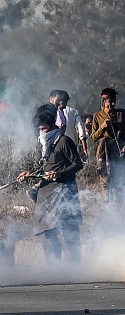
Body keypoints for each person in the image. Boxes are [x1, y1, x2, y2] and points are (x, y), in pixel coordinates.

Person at [20, 106, 82, 263]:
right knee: (46, 231)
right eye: (40, 129)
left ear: (53, 126)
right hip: (45, 192)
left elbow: (78, 164)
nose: (42, 132)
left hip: (64, 191)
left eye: (45, 128)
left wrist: (60, 173)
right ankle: (54, 268)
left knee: (67, 231)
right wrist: (29, 173)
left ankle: (76, 270)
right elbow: (41, 167)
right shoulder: (41, 143)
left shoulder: (64, 141)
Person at [90, 87, 125, 202]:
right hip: (104, 152)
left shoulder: (122, 113)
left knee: (120, 180)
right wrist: (102, 127)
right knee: (105, 181)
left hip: (120, 151)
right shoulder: (97, 116)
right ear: (104, 102)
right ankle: (107, 207)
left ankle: (119, 208)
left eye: (114, 101)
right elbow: (94, 137)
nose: (113, 104)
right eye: (110, 101)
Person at [47, 90, 87, 158]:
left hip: (53, 146)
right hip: (69, 145)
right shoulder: (73, 112)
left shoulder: (51, 112)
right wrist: (85, 149)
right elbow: (81, 130)